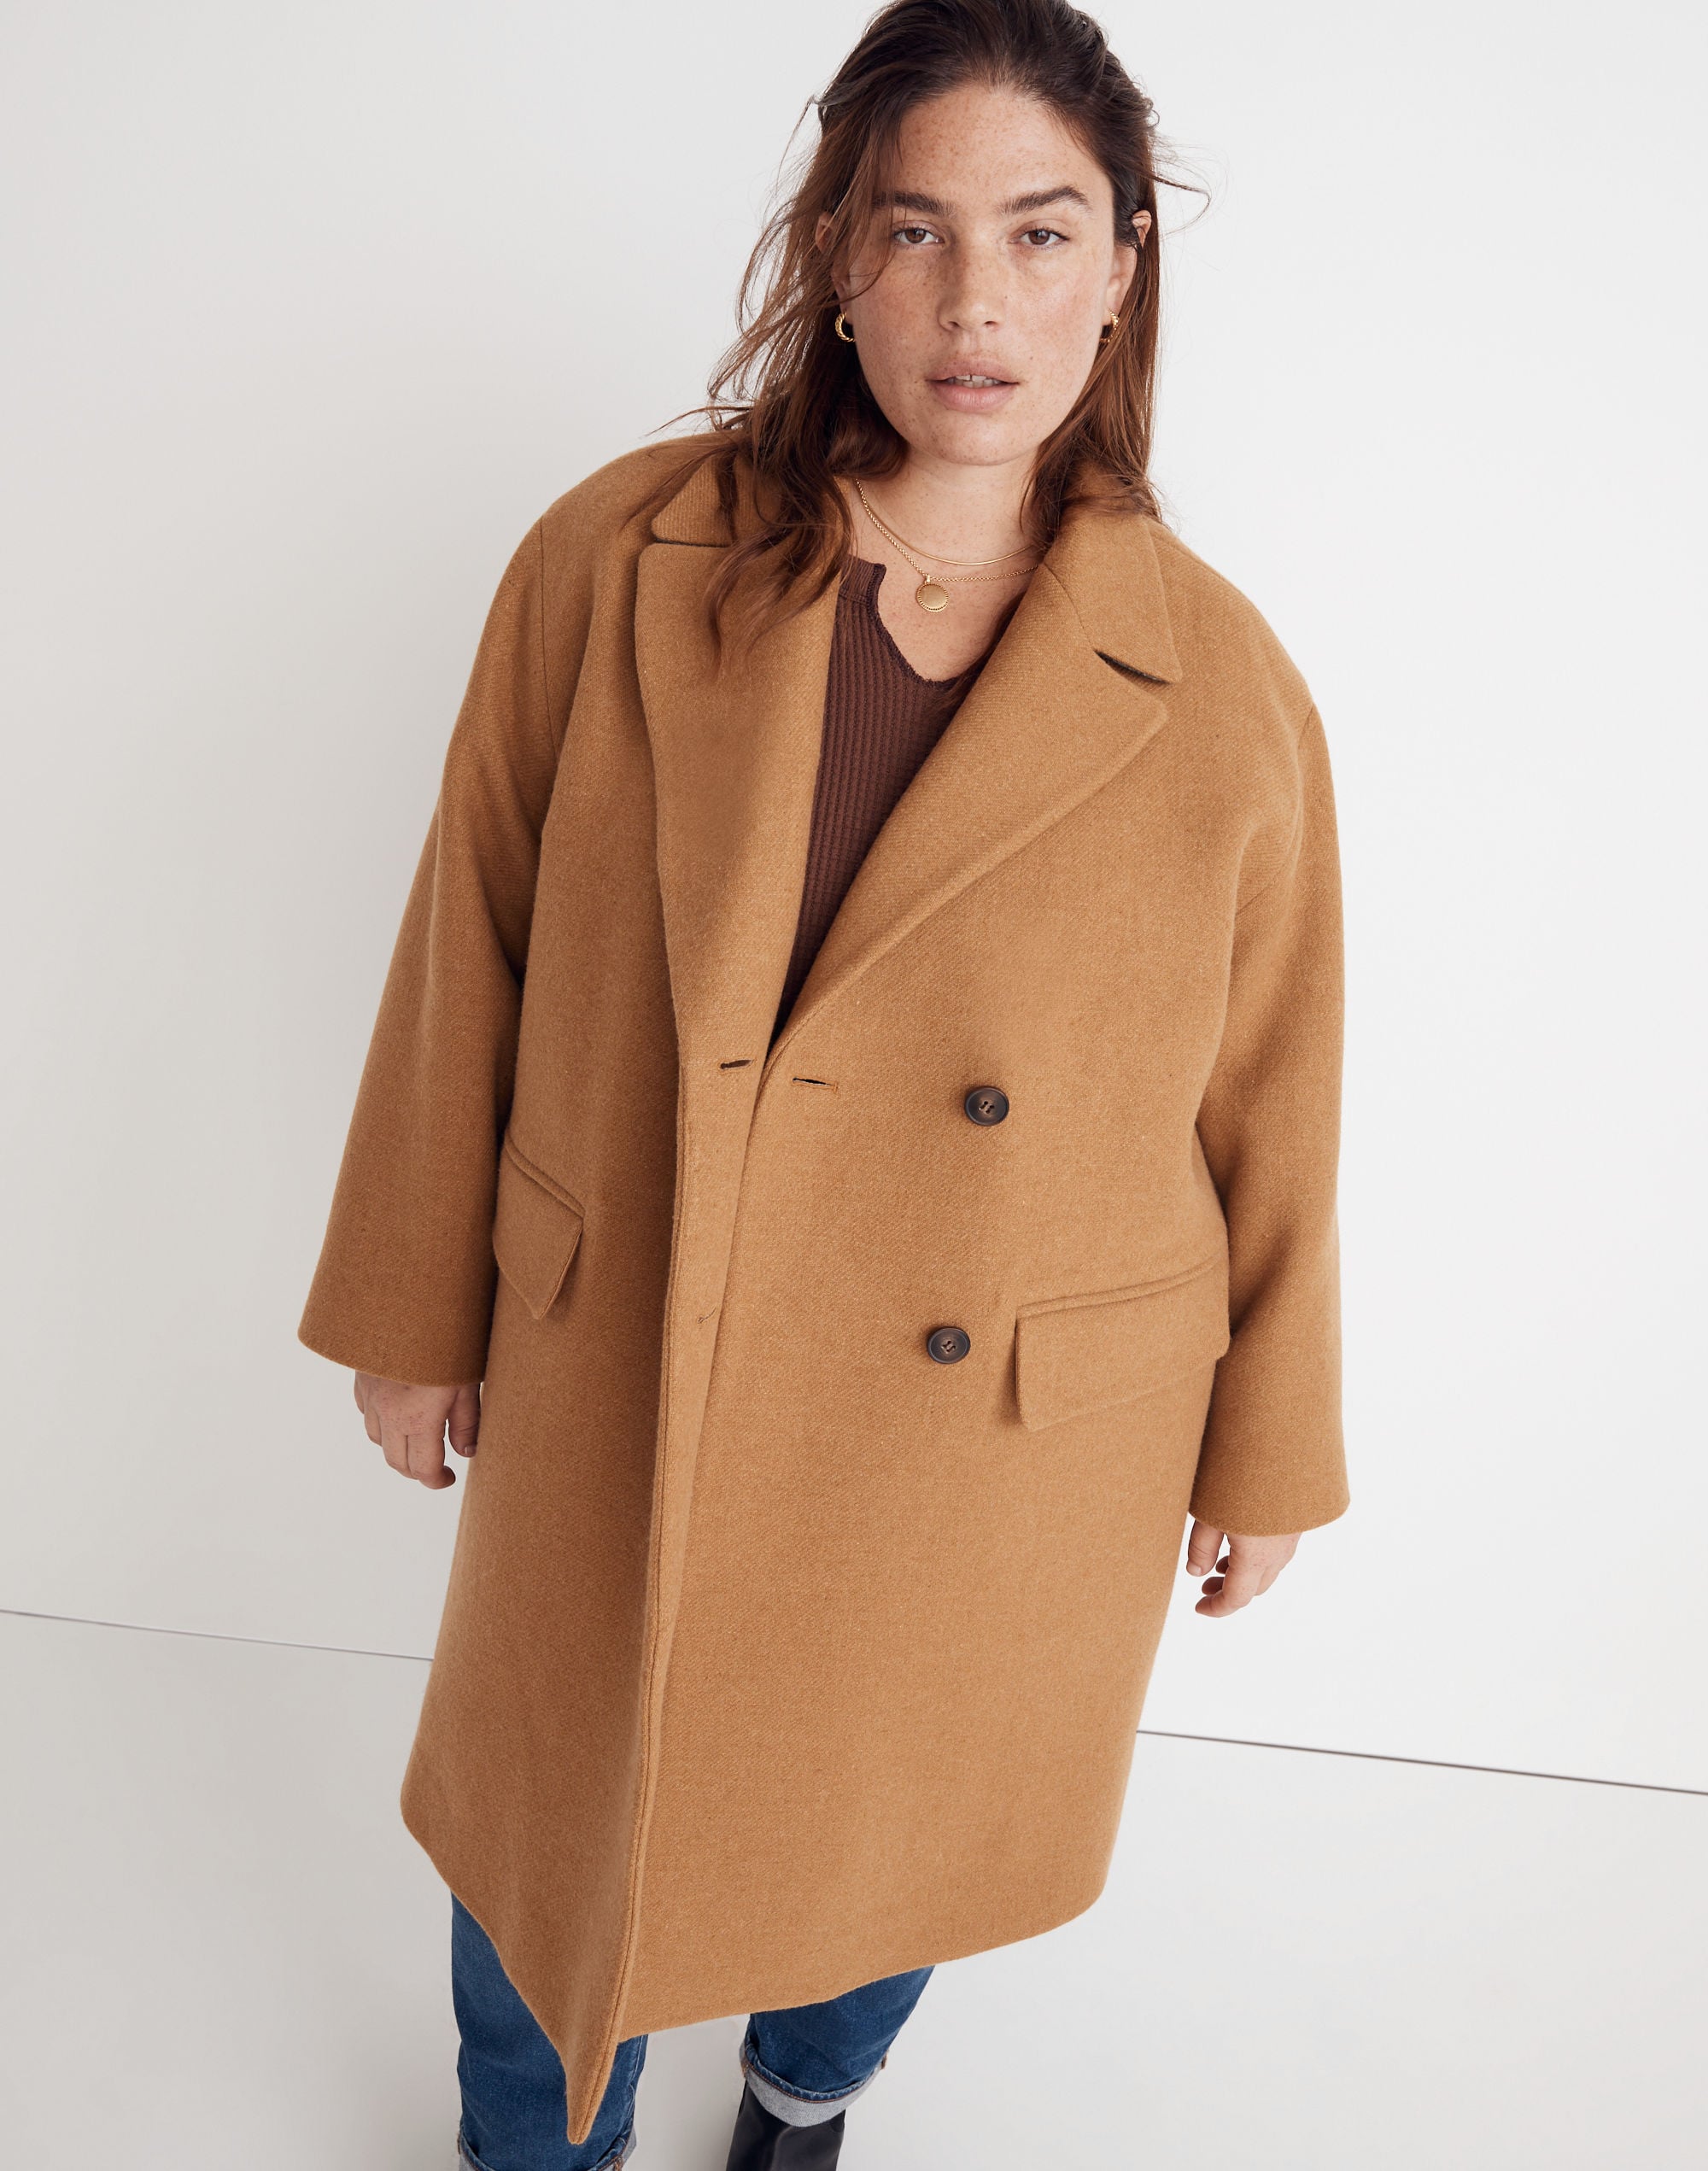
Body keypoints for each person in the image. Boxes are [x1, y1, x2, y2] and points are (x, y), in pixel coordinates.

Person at [297, 1, 1348, 2163]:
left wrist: (1266, 1442)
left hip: (993, 1422)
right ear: (837, 256)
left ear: (1123, 265)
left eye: (1040, 234)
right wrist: (411, 1306)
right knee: (548, 1835)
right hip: (628, 1336)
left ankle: (802, 2097)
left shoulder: (1221, 683)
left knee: (896, 1825)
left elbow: (1276, 1096)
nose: (977, 303)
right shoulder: (621, 556)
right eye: (914, 228)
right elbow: (468, 931)